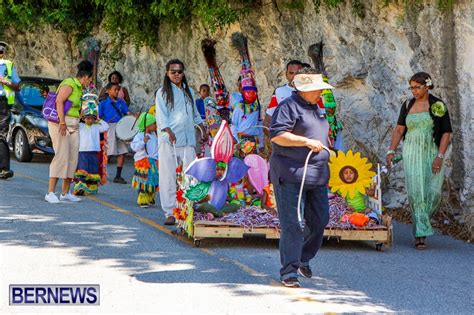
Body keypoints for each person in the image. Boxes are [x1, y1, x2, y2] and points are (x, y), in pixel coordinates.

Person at [269, 68, 334, 288]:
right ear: (304, 90)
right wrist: (305, 142)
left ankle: (303, 257)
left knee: (320, 220)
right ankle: (289, 271)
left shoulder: (317, 108)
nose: (321, 93)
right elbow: (278, 136)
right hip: (291, 174)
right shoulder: (288, 107)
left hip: (317, 175)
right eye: (317, 89)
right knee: (293, 224)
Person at [387, 72, 452, 250]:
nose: (414, 91)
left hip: (431, 152)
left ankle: (423, 222)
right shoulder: (407, 104)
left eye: (418, 87)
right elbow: (399, 129)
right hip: (411, 153)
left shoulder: (437, 105)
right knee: (417, 193)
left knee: (433, 192)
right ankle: (420, 234)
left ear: (427, 86)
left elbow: (446, 132)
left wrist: (440, 156)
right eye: (412, 87)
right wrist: (391, 150)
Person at [155, 59, 207, 225]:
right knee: (168, 175)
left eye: (179, 71)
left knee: (190, 175)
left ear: (183, 73)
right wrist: (168, 130)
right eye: (173, 72)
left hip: (187, 139)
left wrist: (202, 128)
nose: (176, 74)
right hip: (169, 140)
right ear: (167, 73)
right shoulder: (162, 92)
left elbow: (195, 114)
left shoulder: (189, 91)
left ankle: (188, 207)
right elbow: (161, 116)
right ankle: (169, 212)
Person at [45, 60, 93, 203]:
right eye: (90, 79)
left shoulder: (80, 88)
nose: (90, 83)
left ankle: (65, 193)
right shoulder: (70, 83)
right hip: (61, 123)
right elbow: (59, 101)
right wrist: (62, 122)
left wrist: (81, 114)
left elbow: (73, 107)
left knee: (73, 158)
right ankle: (50, 192)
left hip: (74, 124)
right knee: (61, 155)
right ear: (85, 77)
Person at [99, 82, 134, 184]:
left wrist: (134, 116)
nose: (117, 91)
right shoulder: (103, 103)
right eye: (115, 89)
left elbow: (127, 113)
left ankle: (118, 176)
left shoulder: (121, 102)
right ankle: (101, 173)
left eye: (118, 90)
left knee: (122, 152)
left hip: (120, 127)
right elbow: (99, 118)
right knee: (109, 153)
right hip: (109, 127)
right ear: (108, 90)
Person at [73, 108, 109, 195]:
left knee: (93, 168)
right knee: (83, 168)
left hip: (94, 151)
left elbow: (106, 126)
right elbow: (74, 124)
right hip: (82, 151)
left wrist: (99, 119)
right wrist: (80, 115)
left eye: (92, 118)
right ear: (84, 119)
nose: (90, 120)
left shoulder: (96, 127)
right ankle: (81, 186)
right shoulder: (81, 126)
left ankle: (92, 187)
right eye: (87, 118)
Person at [0, 42, 20, 180]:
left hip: (2, 103)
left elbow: (17, 86)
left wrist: (5, 82)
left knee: (1, 135)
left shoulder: (8, 65)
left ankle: (3, 168)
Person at [264, 60, 303, 128]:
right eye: (291, 73)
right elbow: (268, 120)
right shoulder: (279, 91)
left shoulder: (310, 91)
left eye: (297, 73)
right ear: (286, 74)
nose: (294, 76)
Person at [131, 112, 159, 208]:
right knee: (144, 180)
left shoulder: (154, 136)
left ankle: (150, 196)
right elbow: (134, 147)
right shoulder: (139, 136)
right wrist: (143, 142)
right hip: (144, 162)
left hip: (153, 161)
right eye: (154, 123)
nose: (155, 125)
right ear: (147, 125)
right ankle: (142, 198)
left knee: (152, 179)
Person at [194, 84, 209, 157]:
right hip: (199, 124)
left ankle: (206, 153)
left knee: (207, 138)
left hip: (208, 123)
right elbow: (196, 114)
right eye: (204, 91)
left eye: (207, 91)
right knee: (199, 137)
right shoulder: (198, 102)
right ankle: (198, 153)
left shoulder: (210, 102)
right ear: (199, 92)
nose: (206, 93)